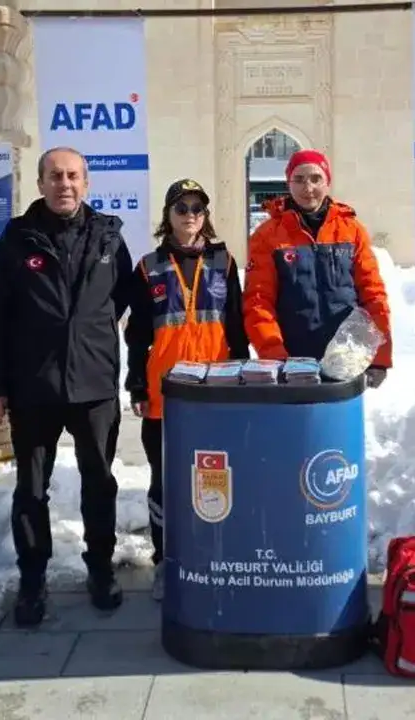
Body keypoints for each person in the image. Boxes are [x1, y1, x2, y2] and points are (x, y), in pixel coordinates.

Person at [0, 146, 135, 626]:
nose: (64, 184)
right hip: (34, 386)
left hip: (94, 386)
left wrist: (89, 340)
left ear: (86, 183)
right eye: (54, 176)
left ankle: (100, 569)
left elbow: (123, 297)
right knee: (31, 489)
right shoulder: (18, 239)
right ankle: (32, 580)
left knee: (99, 484)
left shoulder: (109, 238)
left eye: (72, 176)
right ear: (41, 183)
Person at [124, 179, 250, 601]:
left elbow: (237, 326)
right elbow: (137, 332)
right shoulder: (149, 266)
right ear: (168, 215)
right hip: (166, 393)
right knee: (165, 482)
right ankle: (166, 562)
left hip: (214, 392)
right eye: (182, 207)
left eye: (197, 207)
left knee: (215, 477)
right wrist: (136, 383)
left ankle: (213, 554)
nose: (190, 215)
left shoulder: (224, 262)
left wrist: (241, 375)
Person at [243, 149, 392, 385]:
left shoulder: (351, 230)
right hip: (292, 367)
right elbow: (258, 301)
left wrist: (378, 357)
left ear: (328, 182)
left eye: (315, 178)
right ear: (288, 182)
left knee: (338, 423)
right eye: (299, 179)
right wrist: (275, 358)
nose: (308, 188)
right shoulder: (267, 236)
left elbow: (372, 293)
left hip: (346, 362)